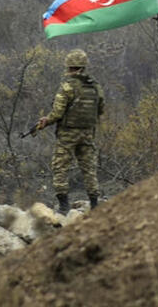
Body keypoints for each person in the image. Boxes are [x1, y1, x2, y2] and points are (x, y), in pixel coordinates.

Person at [37, 49, 105, 214]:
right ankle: (94, 204)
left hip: (68, 134)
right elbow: (100, 109)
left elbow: (57, 112)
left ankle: (64, 206)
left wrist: (46, 121)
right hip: (88, 133)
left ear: (69, 66)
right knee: (89, 168)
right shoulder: (95, 86)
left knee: (60, 167)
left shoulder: (67, 86)